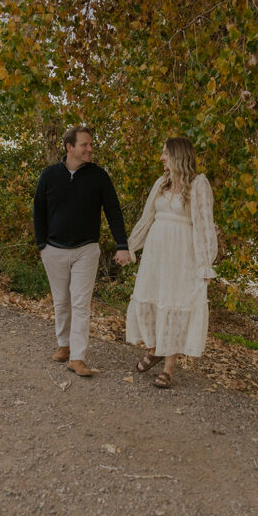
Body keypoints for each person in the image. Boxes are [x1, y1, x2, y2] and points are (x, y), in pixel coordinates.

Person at [33, 125, 131, 377]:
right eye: (84, 145)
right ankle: (63, 345)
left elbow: (113, 210)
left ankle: (78, 357)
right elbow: (38, 212)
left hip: (86, 249)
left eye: (90, 144)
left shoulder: (99, 176)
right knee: (61, 301)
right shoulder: (49, 175)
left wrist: (122, 245)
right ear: (69, 147)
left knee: (80, 303)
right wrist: (41, 246)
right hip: (54, 250)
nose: (90, 149)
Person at [126, 136, 217, 389]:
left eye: (165, 153)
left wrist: (205, 263)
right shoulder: (161, 184)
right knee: (151, 298)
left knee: (175, 303)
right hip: (157, 253)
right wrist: (130, 247)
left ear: (178, 155)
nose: (161, 158)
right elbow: (147, 218)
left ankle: (168, 367)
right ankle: (155, 349)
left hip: (181, 254)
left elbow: (203, 226)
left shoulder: (198, 185)